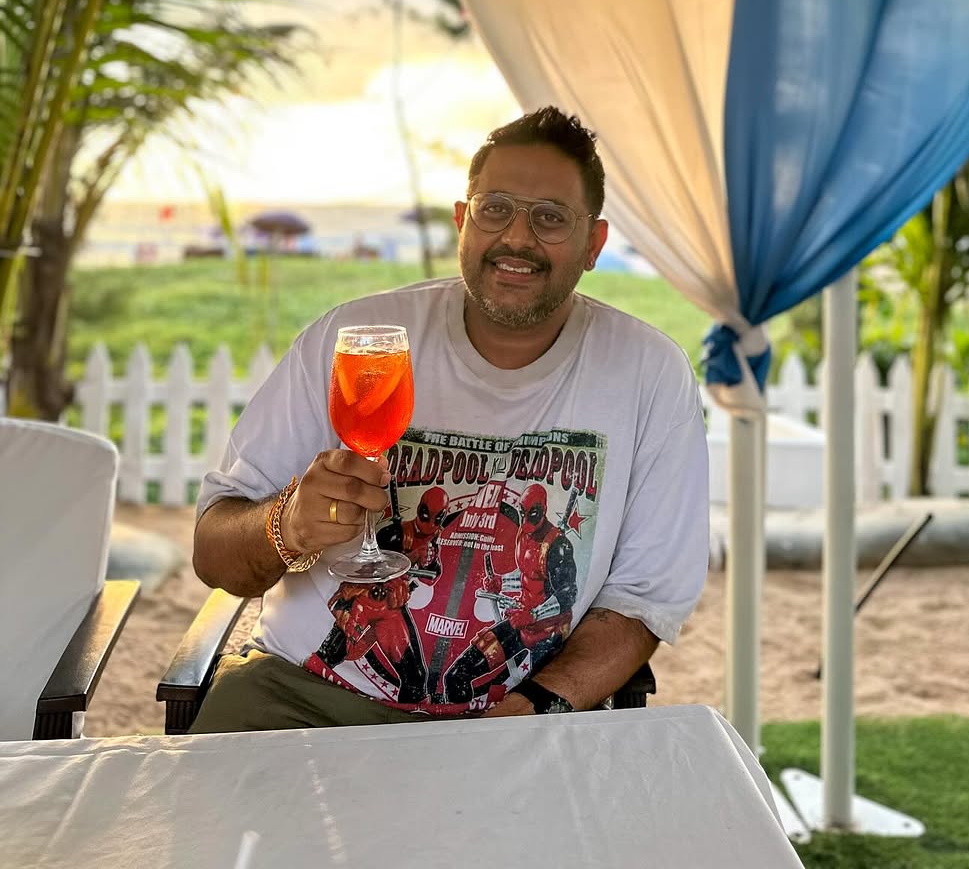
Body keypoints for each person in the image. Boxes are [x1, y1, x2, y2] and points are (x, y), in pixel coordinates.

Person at [190, 106, 709, 731]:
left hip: (518, 718)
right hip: (304, 697)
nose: (517, 237)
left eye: (550, 217)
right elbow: (213, 553)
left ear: (594, 244)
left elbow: (641, 599)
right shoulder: (354, 340)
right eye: (496, 209)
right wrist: (288, 523)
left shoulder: (648, 373)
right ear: (463, 221)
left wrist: (534, 708)